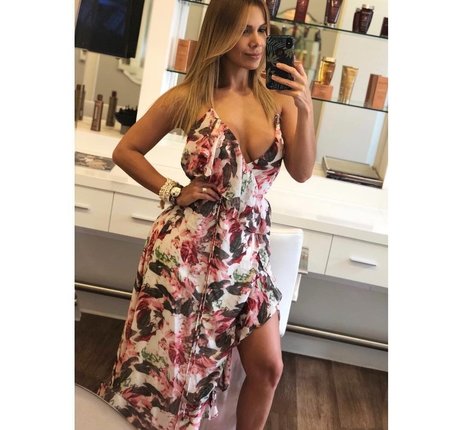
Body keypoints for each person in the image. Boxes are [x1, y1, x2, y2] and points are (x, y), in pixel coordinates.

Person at [98, 0, 316, 429]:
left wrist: (305, 107)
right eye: (244, 31)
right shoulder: (190, 96)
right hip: (186, 256)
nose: (256, 42)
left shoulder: (280, 100)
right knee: (170, 369)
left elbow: (302, 170)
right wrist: (173, 191)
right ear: (220, 34)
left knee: (269, 368)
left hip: (247, 256)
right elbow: (126, 150)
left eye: (261, 30)